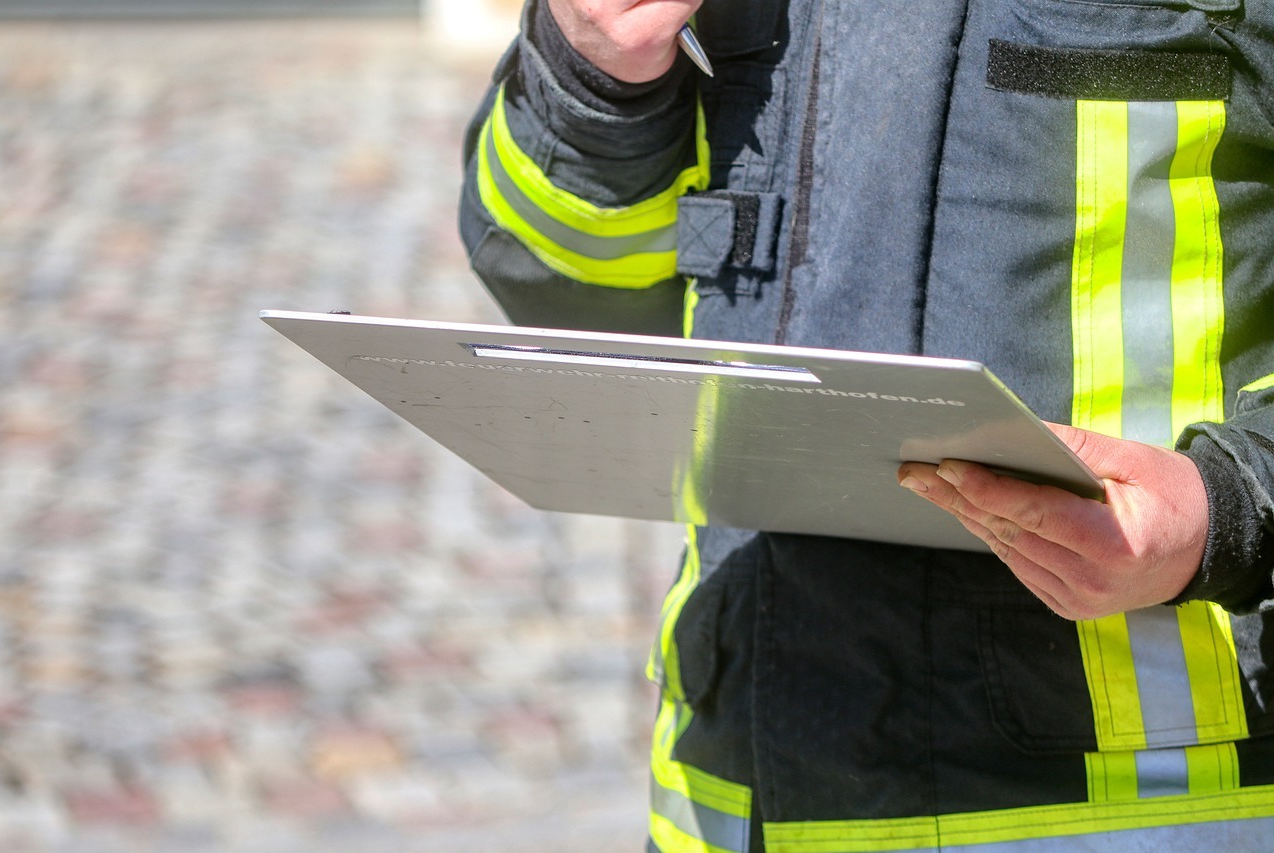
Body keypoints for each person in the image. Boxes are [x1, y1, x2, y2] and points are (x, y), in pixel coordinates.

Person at [458, 0, 1274, 849]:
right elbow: (555, 280)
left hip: (1145, 801)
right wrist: (593, 75)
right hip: (738, 789)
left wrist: (1231, 505)